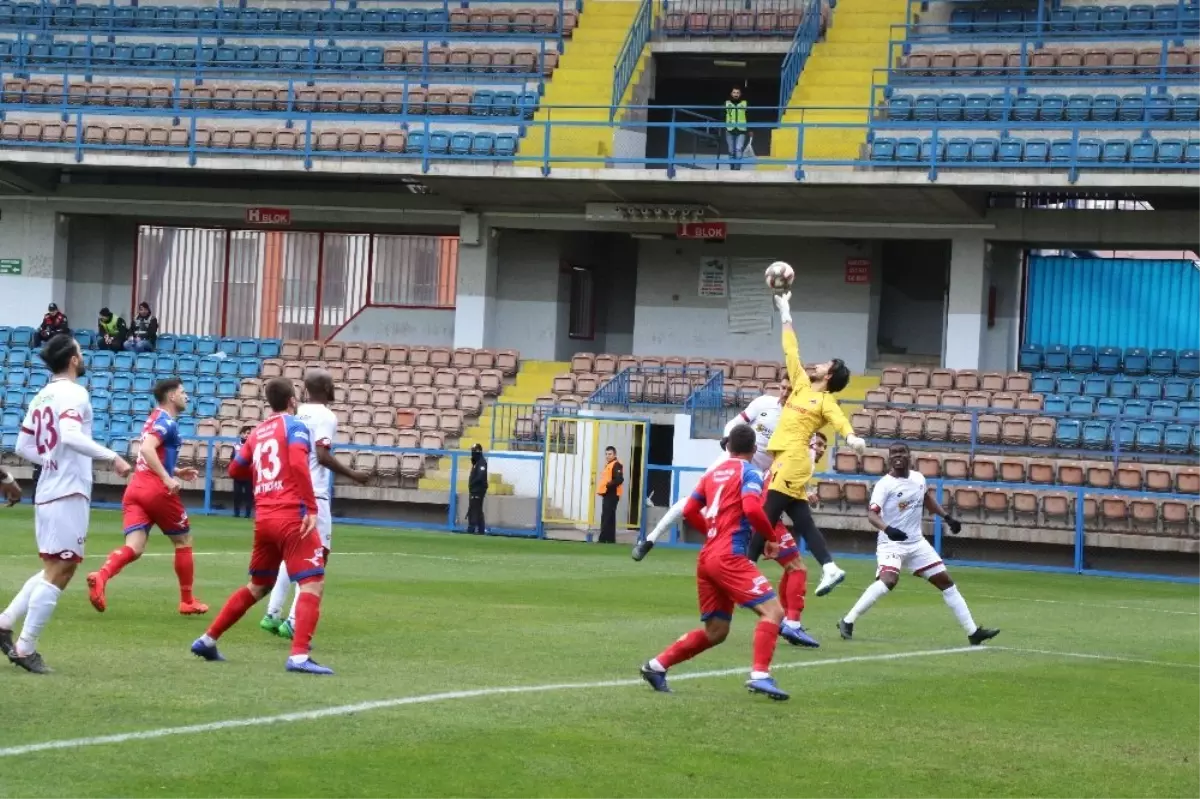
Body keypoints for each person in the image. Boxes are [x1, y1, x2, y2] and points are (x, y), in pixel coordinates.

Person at [0, 334, 132, 674]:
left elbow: (22, 446)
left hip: (48, 488)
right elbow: (72, 436)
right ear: (73, 359)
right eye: (80, 351)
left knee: (53, 567)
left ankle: (3, 624)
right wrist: (112, 457)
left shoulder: (41, 395)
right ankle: (25, 648)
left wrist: (50, 460)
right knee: (63, 569)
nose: (83, 355)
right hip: (68, 489)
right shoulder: (75, 393)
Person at [639, 424, 798, 700]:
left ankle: (656, 666)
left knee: (716, 631)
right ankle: (760, 675)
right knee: (774, 612)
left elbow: (689, 510)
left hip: (708, 557)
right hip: (729, 556)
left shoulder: (712, 474)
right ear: (754, 449)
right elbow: (750, 507)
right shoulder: (750, 472)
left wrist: (713, 531)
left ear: (728, 447)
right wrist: (770, 537)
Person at [192, 377, 332, 674]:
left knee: (258, 585)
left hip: (264, 517)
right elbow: (296, 463)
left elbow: (234, 468)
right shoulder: (294, 426)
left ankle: (207, 639)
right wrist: (309, 504)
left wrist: (264, 477)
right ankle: (298, 657)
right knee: (313, 582)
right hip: (290, 515)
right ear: (292, 401)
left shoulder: (258, 432)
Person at [758, 289, 866, 597]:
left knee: (765, 516)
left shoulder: (825, 400)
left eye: (824, 364)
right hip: (785, 459)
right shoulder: (802, 385)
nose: (816, 364)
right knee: (803, 521)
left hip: (793, 460)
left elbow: (840, 421)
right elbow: (791, 350)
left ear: (830, 375)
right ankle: (830, 568)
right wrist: (786, 312)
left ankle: (742, 572)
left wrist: (852, 437)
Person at [837, 442, 1000, 647]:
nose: (898, 456)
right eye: (894, 453)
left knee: (946, 583)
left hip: (916, 543)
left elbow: (927, 500)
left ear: (909, 455)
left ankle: (973, 632)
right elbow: (872, 514)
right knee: (888, 581)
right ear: (889, 458)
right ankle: (847, 620)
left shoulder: (918, 478)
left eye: (901, 452)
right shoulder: (884, 485)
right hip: (891, 544)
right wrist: (887, 529)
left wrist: (947, 518)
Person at [261, 369, 368, 640]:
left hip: (291, 492)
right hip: (314, 494)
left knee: (294, 554)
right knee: (318, 556)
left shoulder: (297, 413)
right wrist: (353, 475)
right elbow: (322, 455)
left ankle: (272, 613)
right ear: (327, 388)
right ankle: (294, 621)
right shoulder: (326, 416)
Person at [86, 378, 207, 616]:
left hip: (136, 488)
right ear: (171, 396)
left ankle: (101, 576)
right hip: (155, 490)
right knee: (183, 541)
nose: (187, 397)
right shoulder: (166, 421)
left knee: (135, 547)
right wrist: (166, 478)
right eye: (183, 392)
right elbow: (147, 450)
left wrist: (176, 471)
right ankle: (187, 600)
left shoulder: (154, 417)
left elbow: (149, 455)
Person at [633, 381, 791, 560]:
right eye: (783, 387)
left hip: (756, 472)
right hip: (733, 459)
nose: (785, 393)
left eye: (790, 390)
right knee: (692, 500)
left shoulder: (798, 420)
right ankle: (650, 539)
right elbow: (735, 423)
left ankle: (743, 558)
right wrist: (727, 437)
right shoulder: (764, 403)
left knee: (748, 514)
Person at [759, 430, 828, 648]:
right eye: (817, 443)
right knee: (798, 568)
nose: (820, 449)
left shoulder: (792, 460)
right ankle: (793, 624)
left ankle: (784, 619)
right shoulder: (800, 459)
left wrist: (803, 493)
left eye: (824, 446)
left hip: (764, 517)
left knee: (793, 567)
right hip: (764, 518)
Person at [596, 446, 623, 544]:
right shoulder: (609, 464)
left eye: (610, 454)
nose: (608, 456)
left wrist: (608, 485)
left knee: (606, 516)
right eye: (606, 454)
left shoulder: (616, 465)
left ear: (614, 454)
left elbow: (619, 479)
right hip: (608, 493)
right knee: (610, 517)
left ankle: (602, 539)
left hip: (612, 493)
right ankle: (610, 539)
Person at [232, 425, 254, 518]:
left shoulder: (253, 446)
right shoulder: (235, 445)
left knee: (248, 495)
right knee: (237, 494)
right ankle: (236, 513)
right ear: (241, 434)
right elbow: (232, 458)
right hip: (238, 474)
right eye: (244, 433)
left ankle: (247, 514)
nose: (246, 435)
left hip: (248, 474)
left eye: (248, 433)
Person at [724, 86, 749, 171]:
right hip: (729, 129)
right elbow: (721, 115)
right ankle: (732, 169)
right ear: (731, 93)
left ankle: (737, 170)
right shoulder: (726, 103)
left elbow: (749, 116)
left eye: (737, 93)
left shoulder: (745, 103)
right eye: (734, 92)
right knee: (731, 151)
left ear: (740, 94)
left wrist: (751, 129)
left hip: (741, 130)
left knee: (738, 150)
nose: (736, 94)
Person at [466, 443, 488, 534]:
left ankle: (472, 528)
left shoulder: (482, 462)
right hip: (474, 490)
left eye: (473, 451)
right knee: (477, 510)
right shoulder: (476, 462)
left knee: (474, 510)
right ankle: (481, 530)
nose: (472, 453)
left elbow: (481, 476)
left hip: (478, 490)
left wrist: (472, 484)